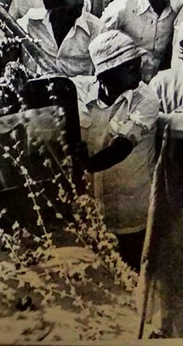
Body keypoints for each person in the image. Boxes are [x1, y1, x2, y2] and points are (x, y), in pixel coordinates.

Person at [75, 30, 159, 270]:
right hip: (91, 208)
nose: (139, 71)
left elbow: (122, 147)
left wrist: (88, 164)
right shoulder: (80, 93)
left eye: (138, 64)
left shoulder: (146, 99)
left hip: (130, 211)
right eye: (130, 67)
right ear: (105, 74)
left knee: (132, 271)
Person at [18, 0, 103, 77]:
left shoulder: (96, 29)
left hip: (82, 93)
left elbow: (103, 78)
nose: (81, 1)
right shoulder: (31, 23)